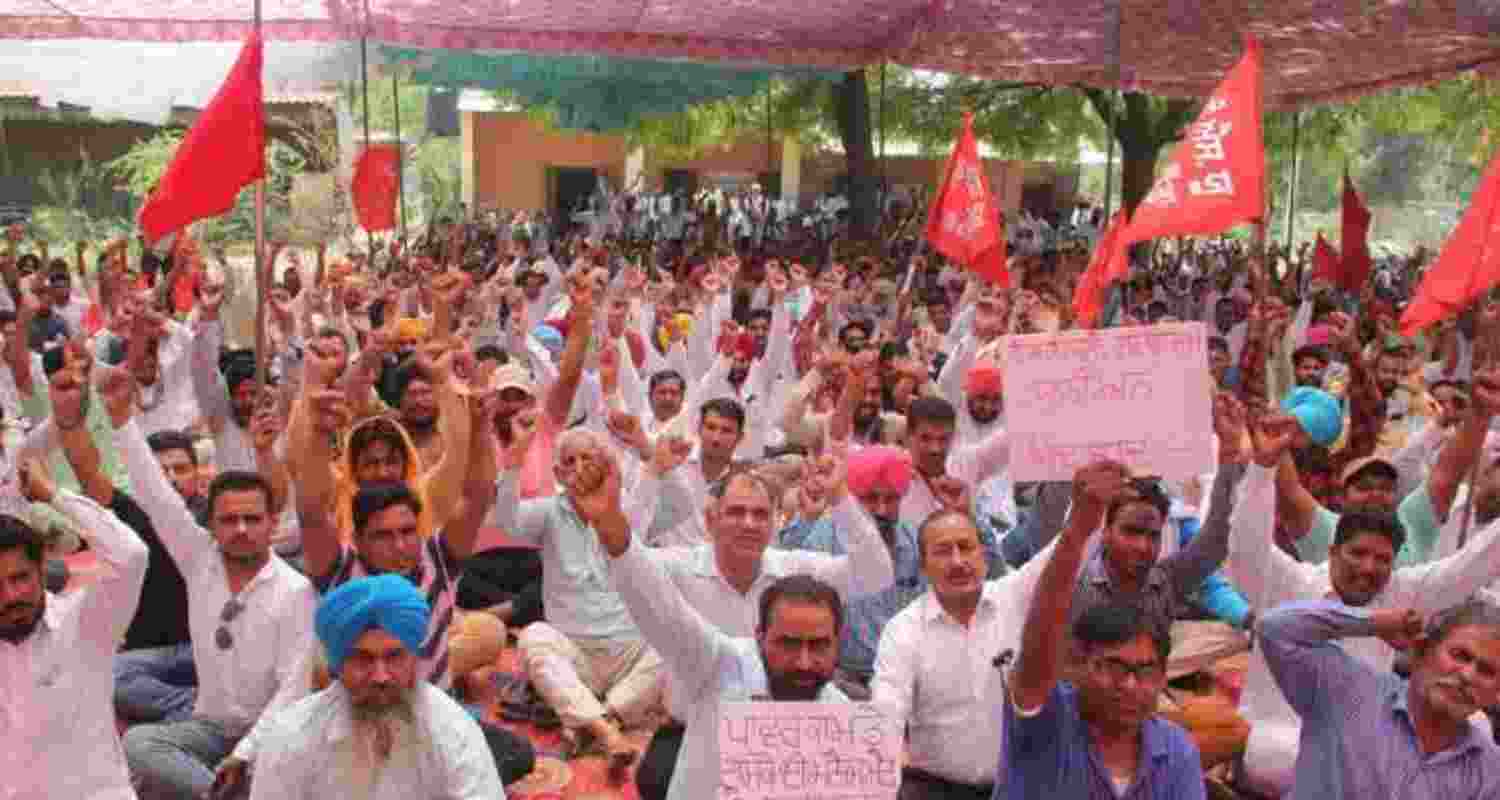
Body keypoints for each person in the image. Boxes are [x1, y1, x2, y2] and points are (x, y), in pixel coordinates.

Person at [579, 448, 850, 800]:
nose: (803, 661)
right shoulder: (722, 666)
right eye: (788, 643)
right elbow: (658, 603)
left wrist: (841, 497)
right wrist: (610, 522)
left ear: (838, 644)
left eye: (818, 646)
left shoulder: (842, 716)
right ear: (759, 638)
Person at [111, 392, 318, 800]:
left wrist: (244, 753)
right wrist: (121, 420)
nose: (240, 529)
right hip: (209, 728)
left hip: (272, 736)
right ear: (212, 524)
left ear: (272, 523)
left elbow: (292, 692)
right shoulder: (199, 558)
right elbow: (156, 496)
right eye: (229, 519)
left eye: (252, 519)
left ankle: (228, 787)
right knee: (138, 744)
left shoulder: (296, 592)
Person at [1004, 459, 1205, 799]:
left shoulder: (1176, 753)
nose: (1129, 685)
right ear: (1083, 665)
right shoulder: (1047, 725)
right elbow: (1041, 633)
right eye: (1115, 668)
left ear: (1162, 677)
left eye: (1144, 671)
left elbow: (1214, 545)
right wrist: (1078, 529)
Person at [247, 574, 507, 800]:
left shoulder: (453, 730)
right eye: (363, 659)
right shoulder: (292, 737)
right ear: (338, 664)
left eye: (394, 657)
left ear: (414, 659)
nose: (380, 676)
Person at [0, 457, 149, 800]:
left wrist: (52, 495)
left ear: (42, 568)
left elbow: (131, 555)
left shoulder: (85, 623)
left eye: (20, 578)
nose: (11, 596)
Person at [1258, 598, 1500, 798]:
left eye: (1486, 671)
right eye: (1460, 656)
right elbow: (1274, 628)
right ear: (1421, 651)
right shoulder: (1346, 689)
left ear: (1495, 694)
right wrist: (1372, 622)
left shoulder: (1488, 771)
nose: (1468, 675)